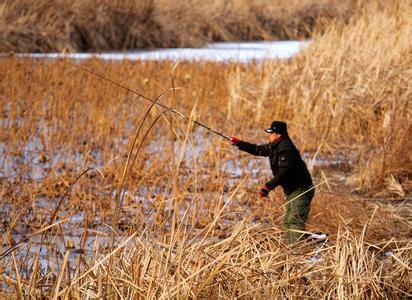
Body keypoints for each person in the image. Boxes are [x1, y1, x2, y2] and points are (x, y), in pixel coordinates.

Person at [230, 121, 314, 244]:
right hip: (293, 190)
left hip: (301, 189)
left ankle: (298, 252)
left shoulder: (286, 148)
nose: (268, 135)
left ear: (278, 134)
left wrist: (267, 187)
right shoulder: (274, 146)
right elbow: (257, 149)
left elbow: (284, 173)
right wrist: (239, 143)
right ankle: (295, 250)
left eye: (271, 133)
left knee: (294, 221)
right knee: (289, 221)